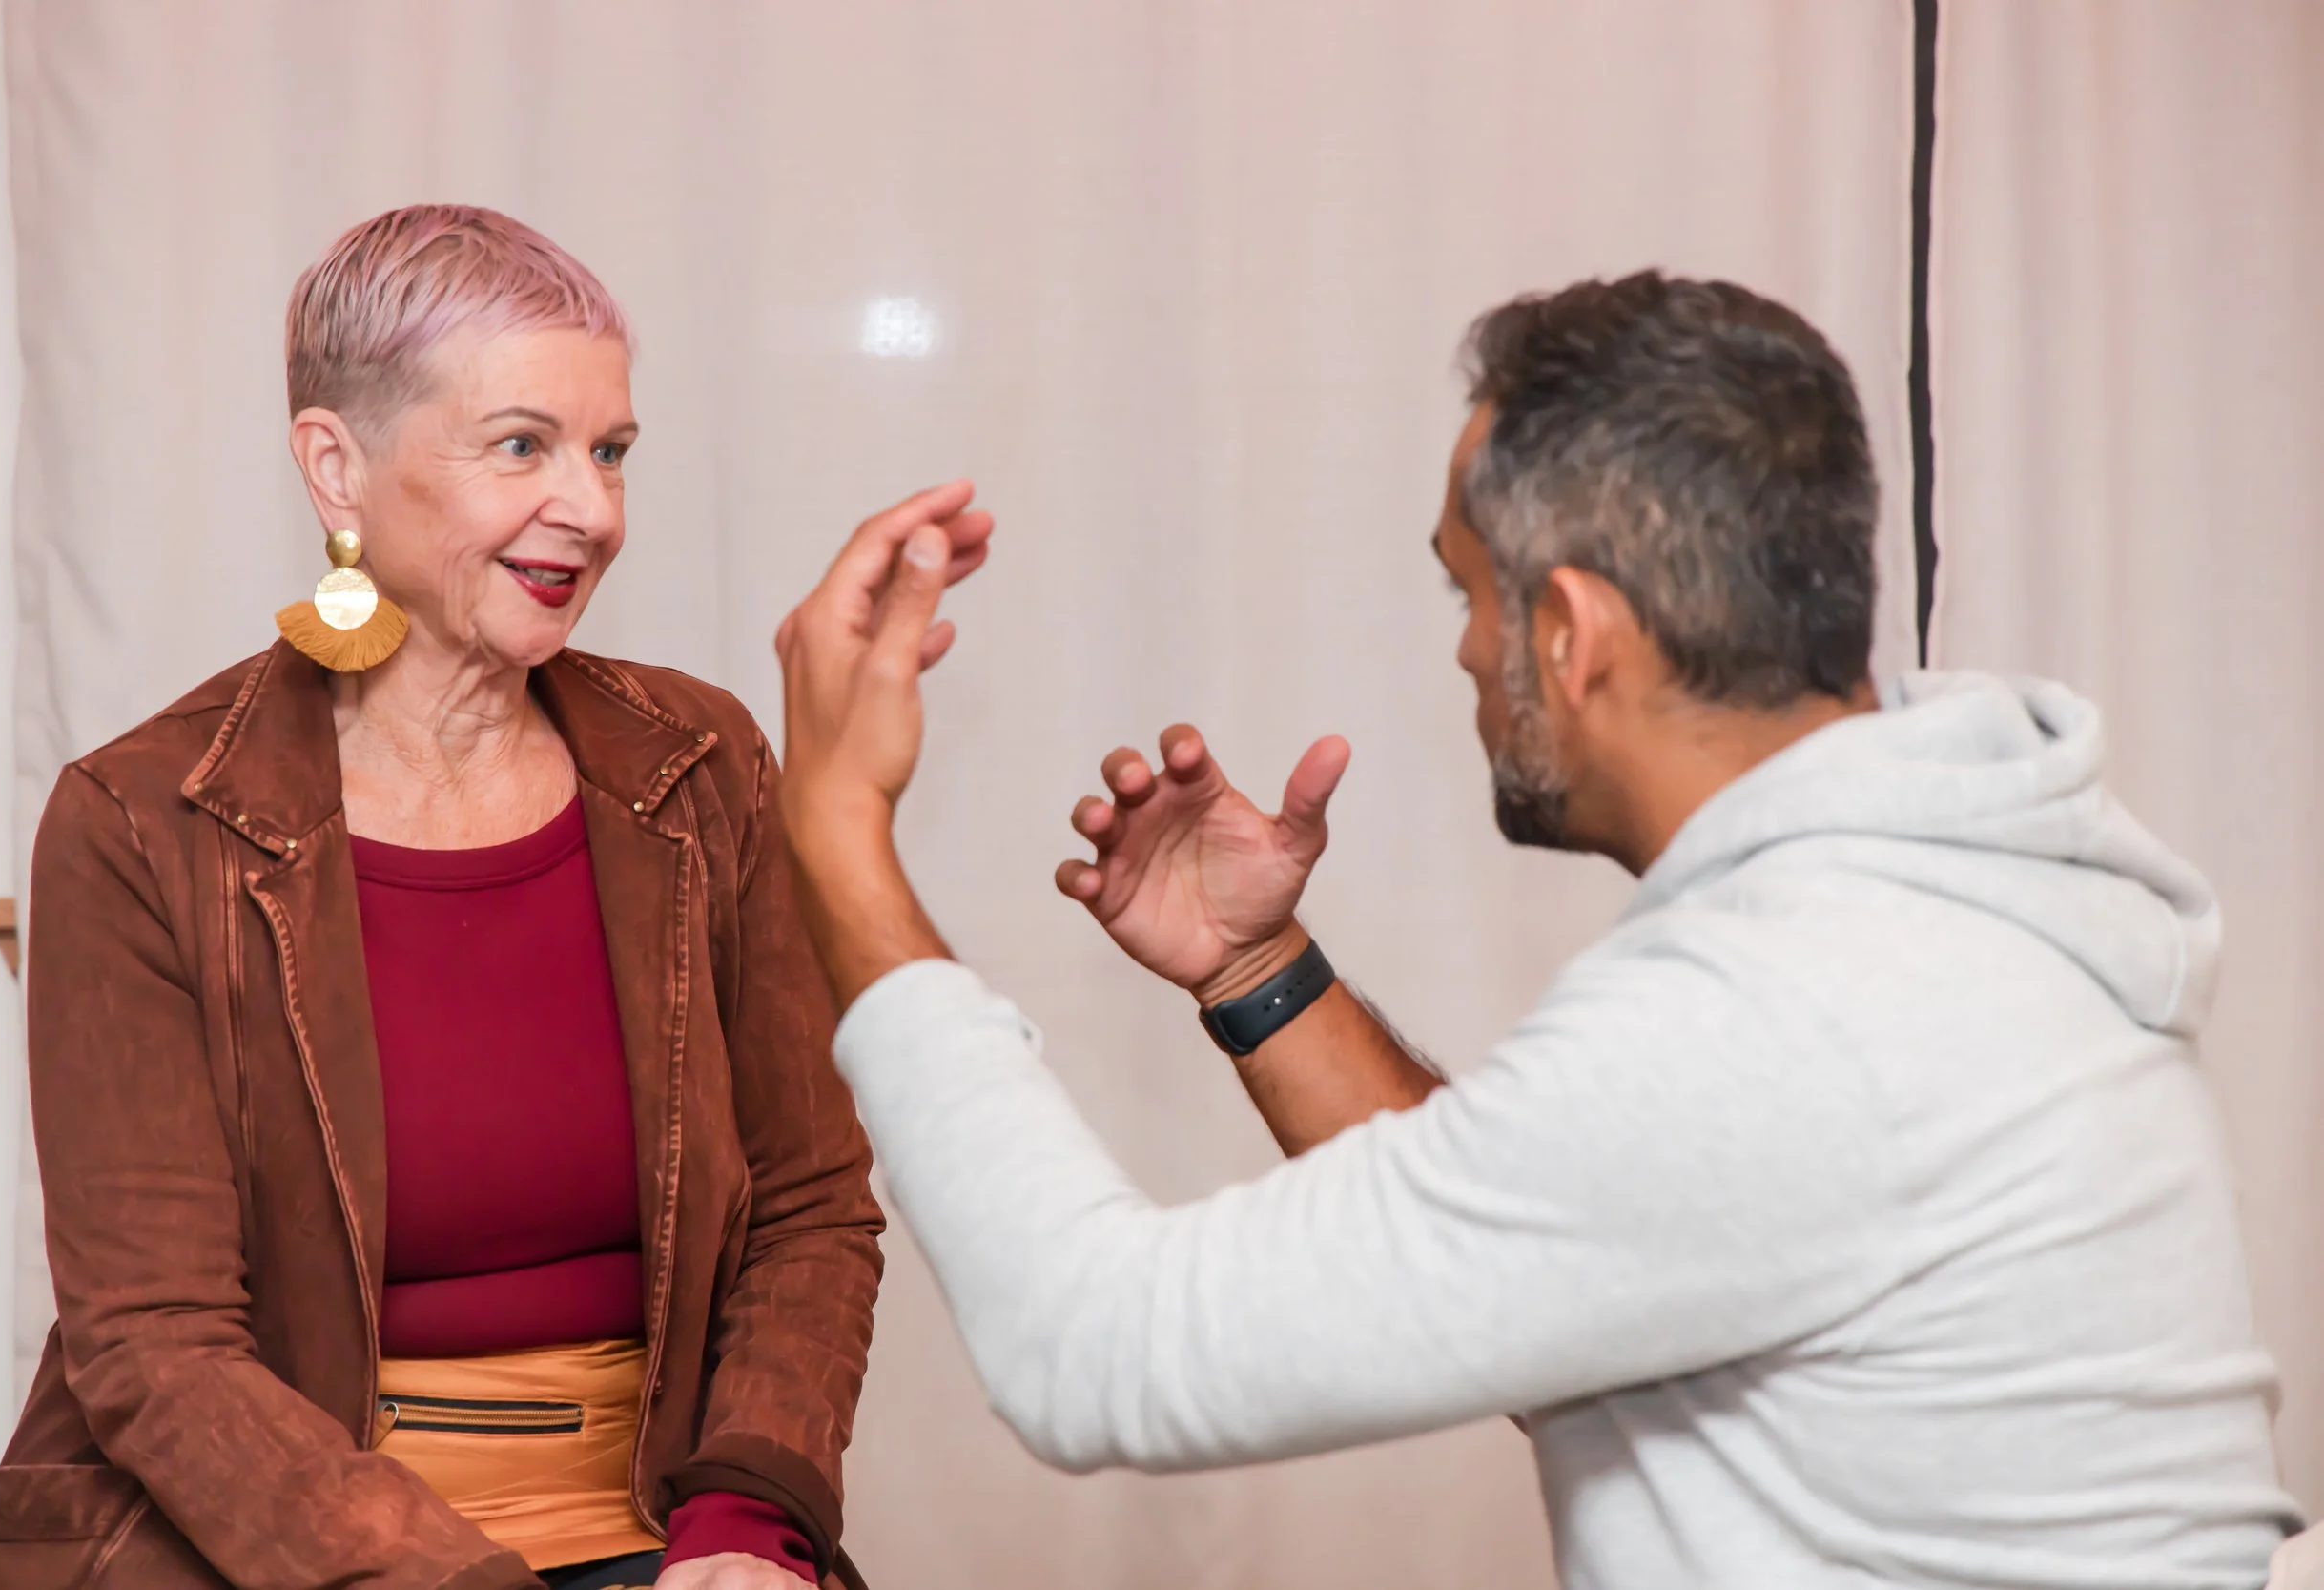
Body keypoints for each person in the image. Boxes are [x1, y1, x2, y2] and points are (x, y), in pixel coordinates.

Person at [771, 274, 2302, 1587]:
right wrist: (1258, 972)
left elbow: (1092, 1348)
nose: (1461, 647)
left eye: (1470, 593)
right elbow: (1571, 1251)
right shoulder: (1945, 912)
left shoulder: (1788, 1014)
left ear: (1570, 633)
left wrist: (837, 831)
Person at [0, 206, 953, 1590]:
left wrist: (747, 1530)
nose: (594, 510)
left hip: (674, 1541)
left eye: (610, 451)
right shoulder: (141, 822)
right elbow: (156, 1345)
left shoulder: (701, 765)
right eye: (521, 447)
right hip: (273, 1557)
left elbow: (810, 1207)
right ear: (337, 467)